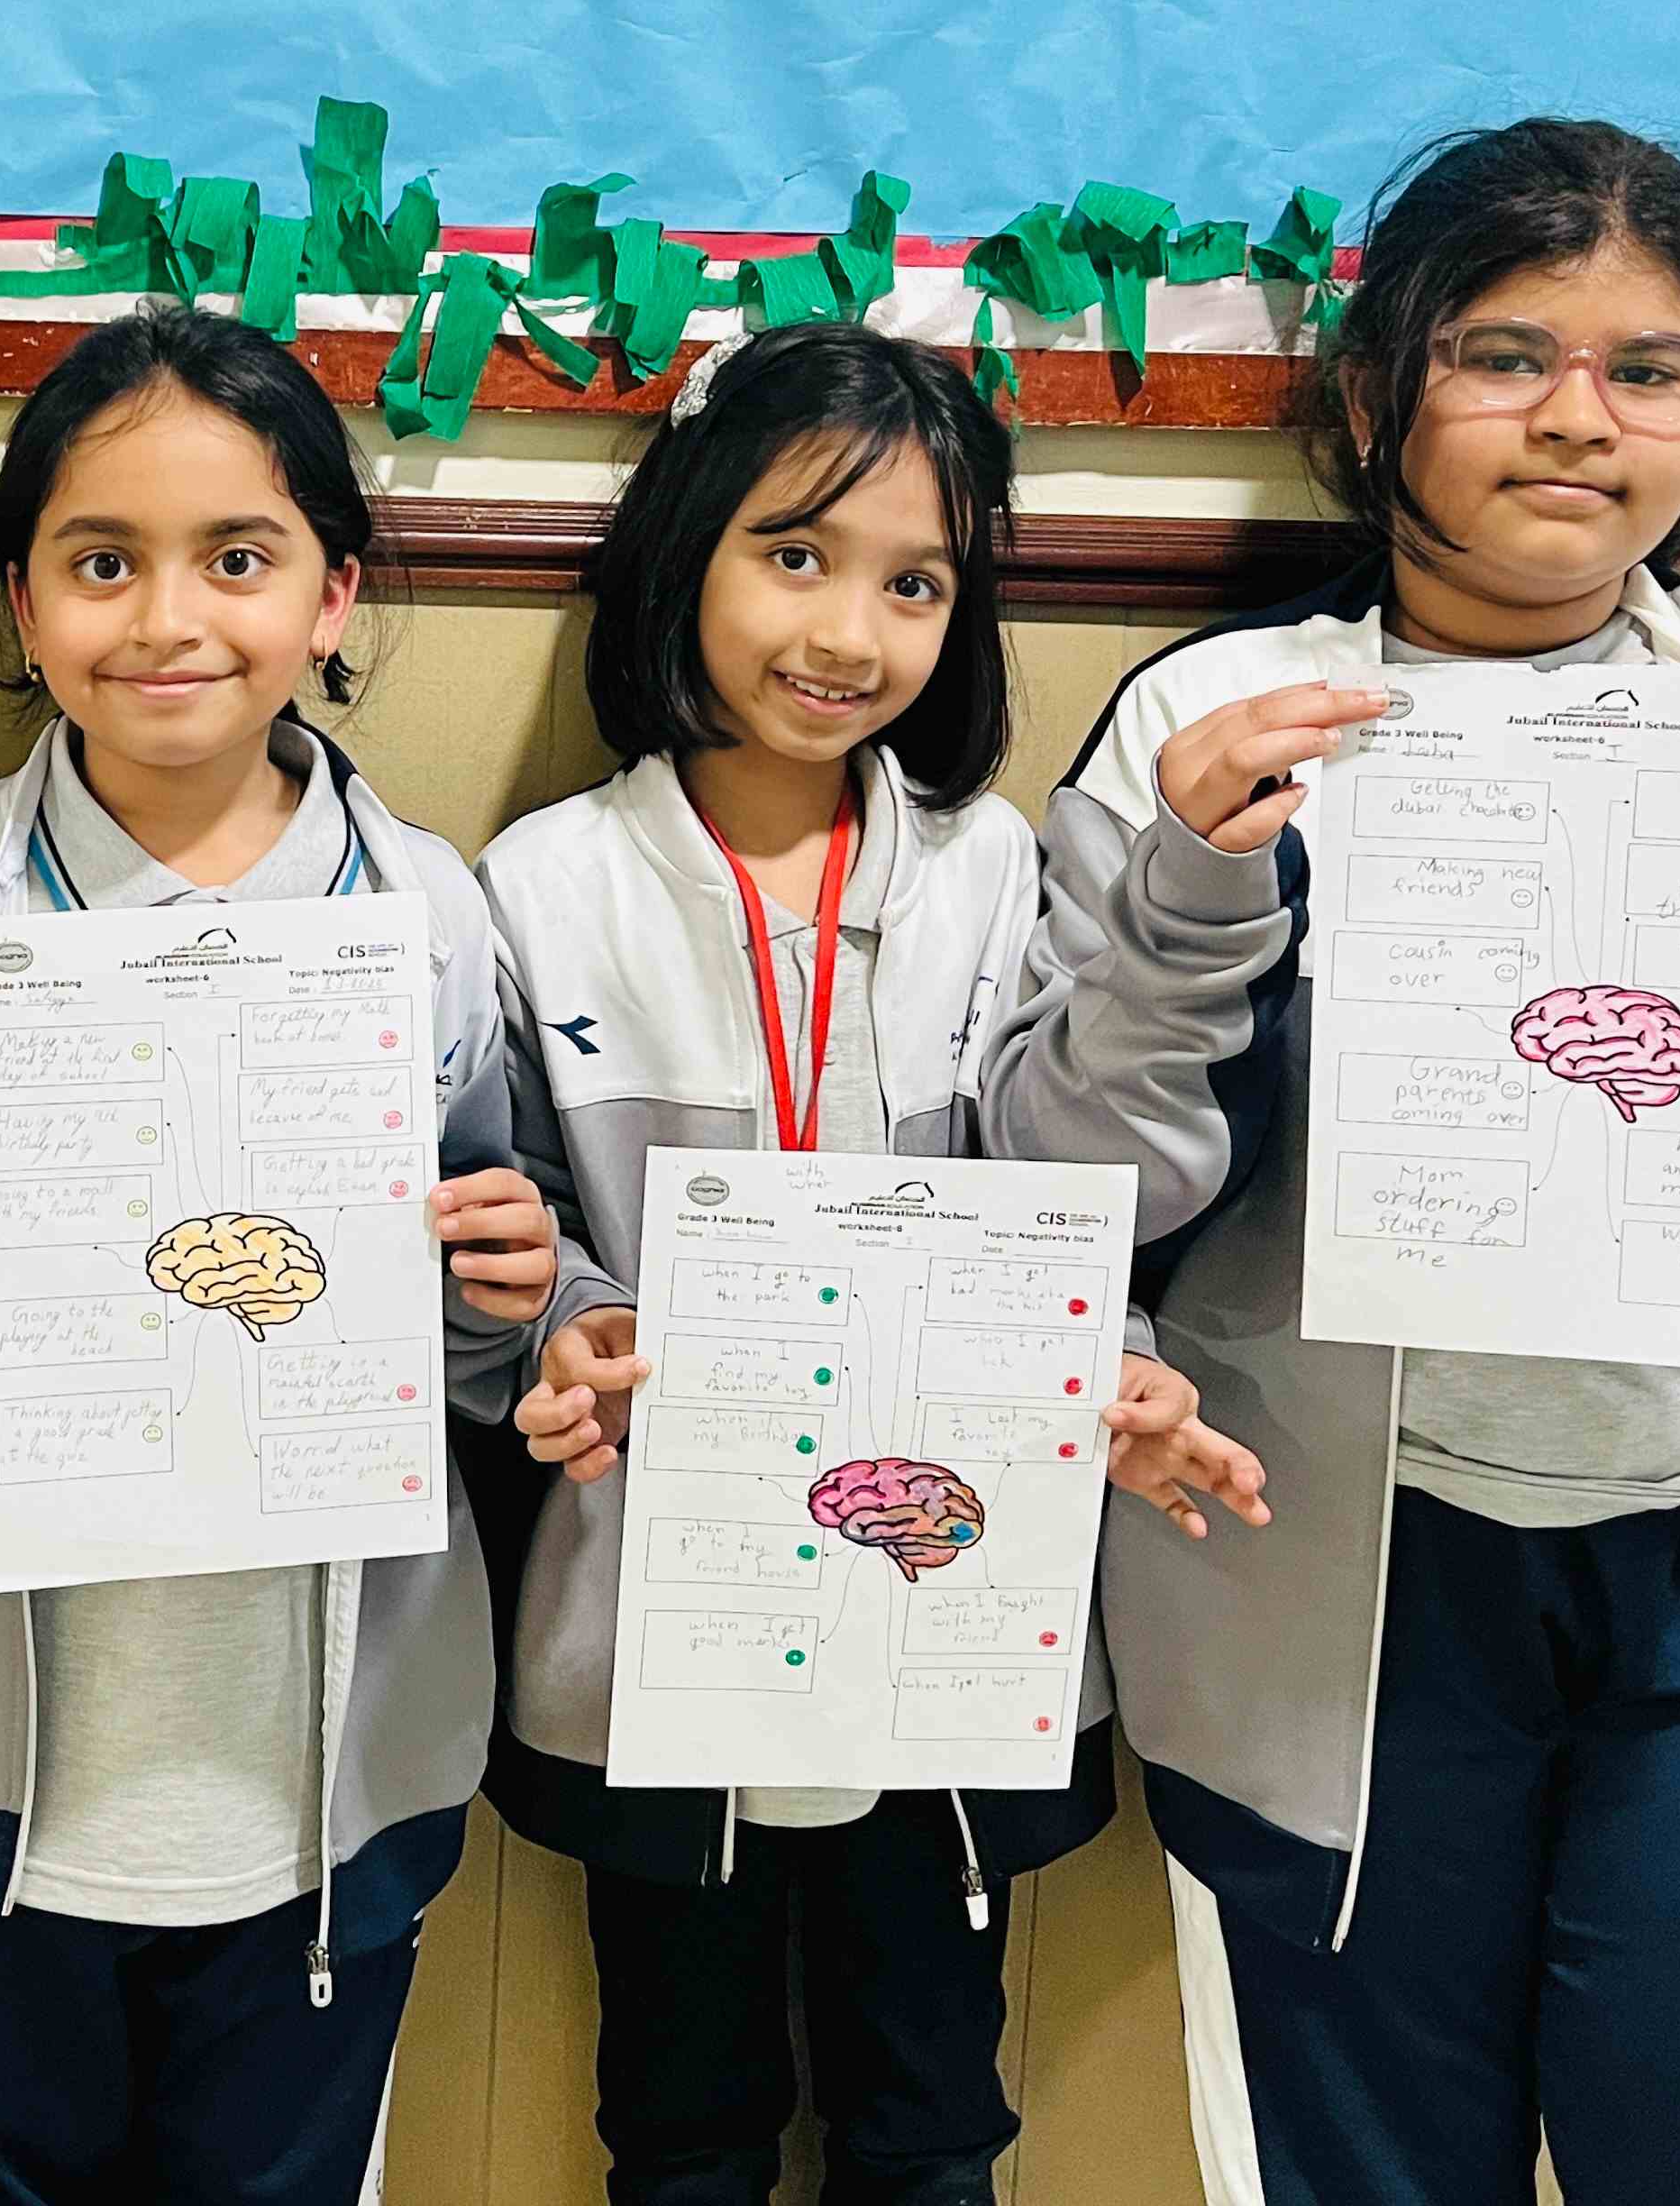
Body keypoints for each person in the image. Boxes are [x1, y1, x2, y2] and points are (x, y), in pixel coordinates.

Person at [978, 120, 1680, 2203]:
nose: (1578, 418)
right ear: (1379, 388)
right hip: (1340, 1599)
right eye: (1503, 355)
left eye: (1650, 369)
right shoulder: (1223, 722)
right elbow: (1072, 1193)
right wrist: (1192, 903)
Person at [482, 324, 1265, 2206]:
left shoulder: (994, 870)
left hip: (950, 1601)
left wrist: (1115, 1357)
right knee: (681, 2127)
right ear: (683, 549)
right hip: (659, 1613)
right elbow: (512, 1219)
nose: (850, 631)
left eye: (914, 583)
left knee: (933, 2125)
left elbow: (1056, 1194)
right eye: (795, 554)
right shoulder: (543, 881)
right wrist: (571, 1327)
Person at [0, 302, 556, 2206]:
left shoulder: (426, 911)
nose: (167, 619)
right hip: (2, 1756)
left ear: (333, 594)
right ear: (22, 600)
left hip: (326, 1765)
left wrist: (508, 1287)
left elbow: (488, 1315)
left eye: (238, 557)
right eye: (101, 561)